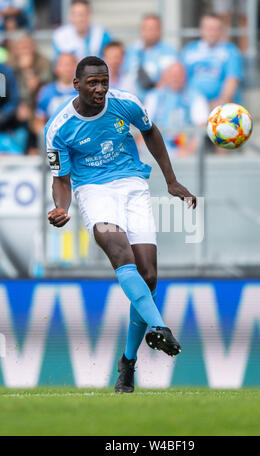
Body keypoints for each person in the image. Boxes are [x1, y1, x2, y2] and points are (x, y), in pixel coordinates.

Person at [45, 56, 196, 393]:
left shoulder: (126, 104)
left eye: (104, 81)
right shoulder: (59, 127)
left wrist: (171, 181)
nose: (100, 88)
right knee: (118, 250)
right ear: (77, 85)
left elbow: (151, 132)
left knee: (150, 276)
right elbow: (61, 178)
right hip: (94, 191)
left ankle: (127, 362)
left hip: (133, 185)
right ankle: (159, 326)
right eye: (92, 83)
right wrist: (61, 207)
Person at [144, 62, 209, 157]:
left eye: (179, 75)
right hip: (155, 153)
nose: (176, 78)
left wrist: (188, 150)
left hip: (186, 154)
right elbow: (143, 127)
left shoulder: (196, 97)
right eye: (173, 75)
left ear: (185, 77)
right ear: (166, 77)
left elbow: (201, 128)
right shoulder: (153, 97)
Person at [182, 13, 243, 110]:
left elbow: (232, 80)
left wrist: (221, 102)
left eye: (216, 29)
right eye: (209, 28)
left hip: (220, 107)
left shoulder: (230, 51)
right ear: (202, 29)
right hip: (192, 104)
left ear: (221, 31)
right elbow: (181, 78)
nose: (212, 33)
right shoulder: (189, 50)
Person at [124, 14, 178, 100]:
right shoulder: (131, 50)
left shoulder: (170, 51)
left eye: (154, 28)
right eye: (147, 28)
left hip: (160, 103)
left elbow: (176, 77)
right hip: (133, 101)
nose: (150, 32)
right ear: (141, 30)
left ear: (160, 30)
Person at [34, 53, 78, 133]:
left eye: (70, 64)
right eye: (63, 65)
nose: (67, 68)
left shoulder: (84, 91)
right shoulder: (47, 91)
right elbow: (38, 120)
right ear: (56, 68)